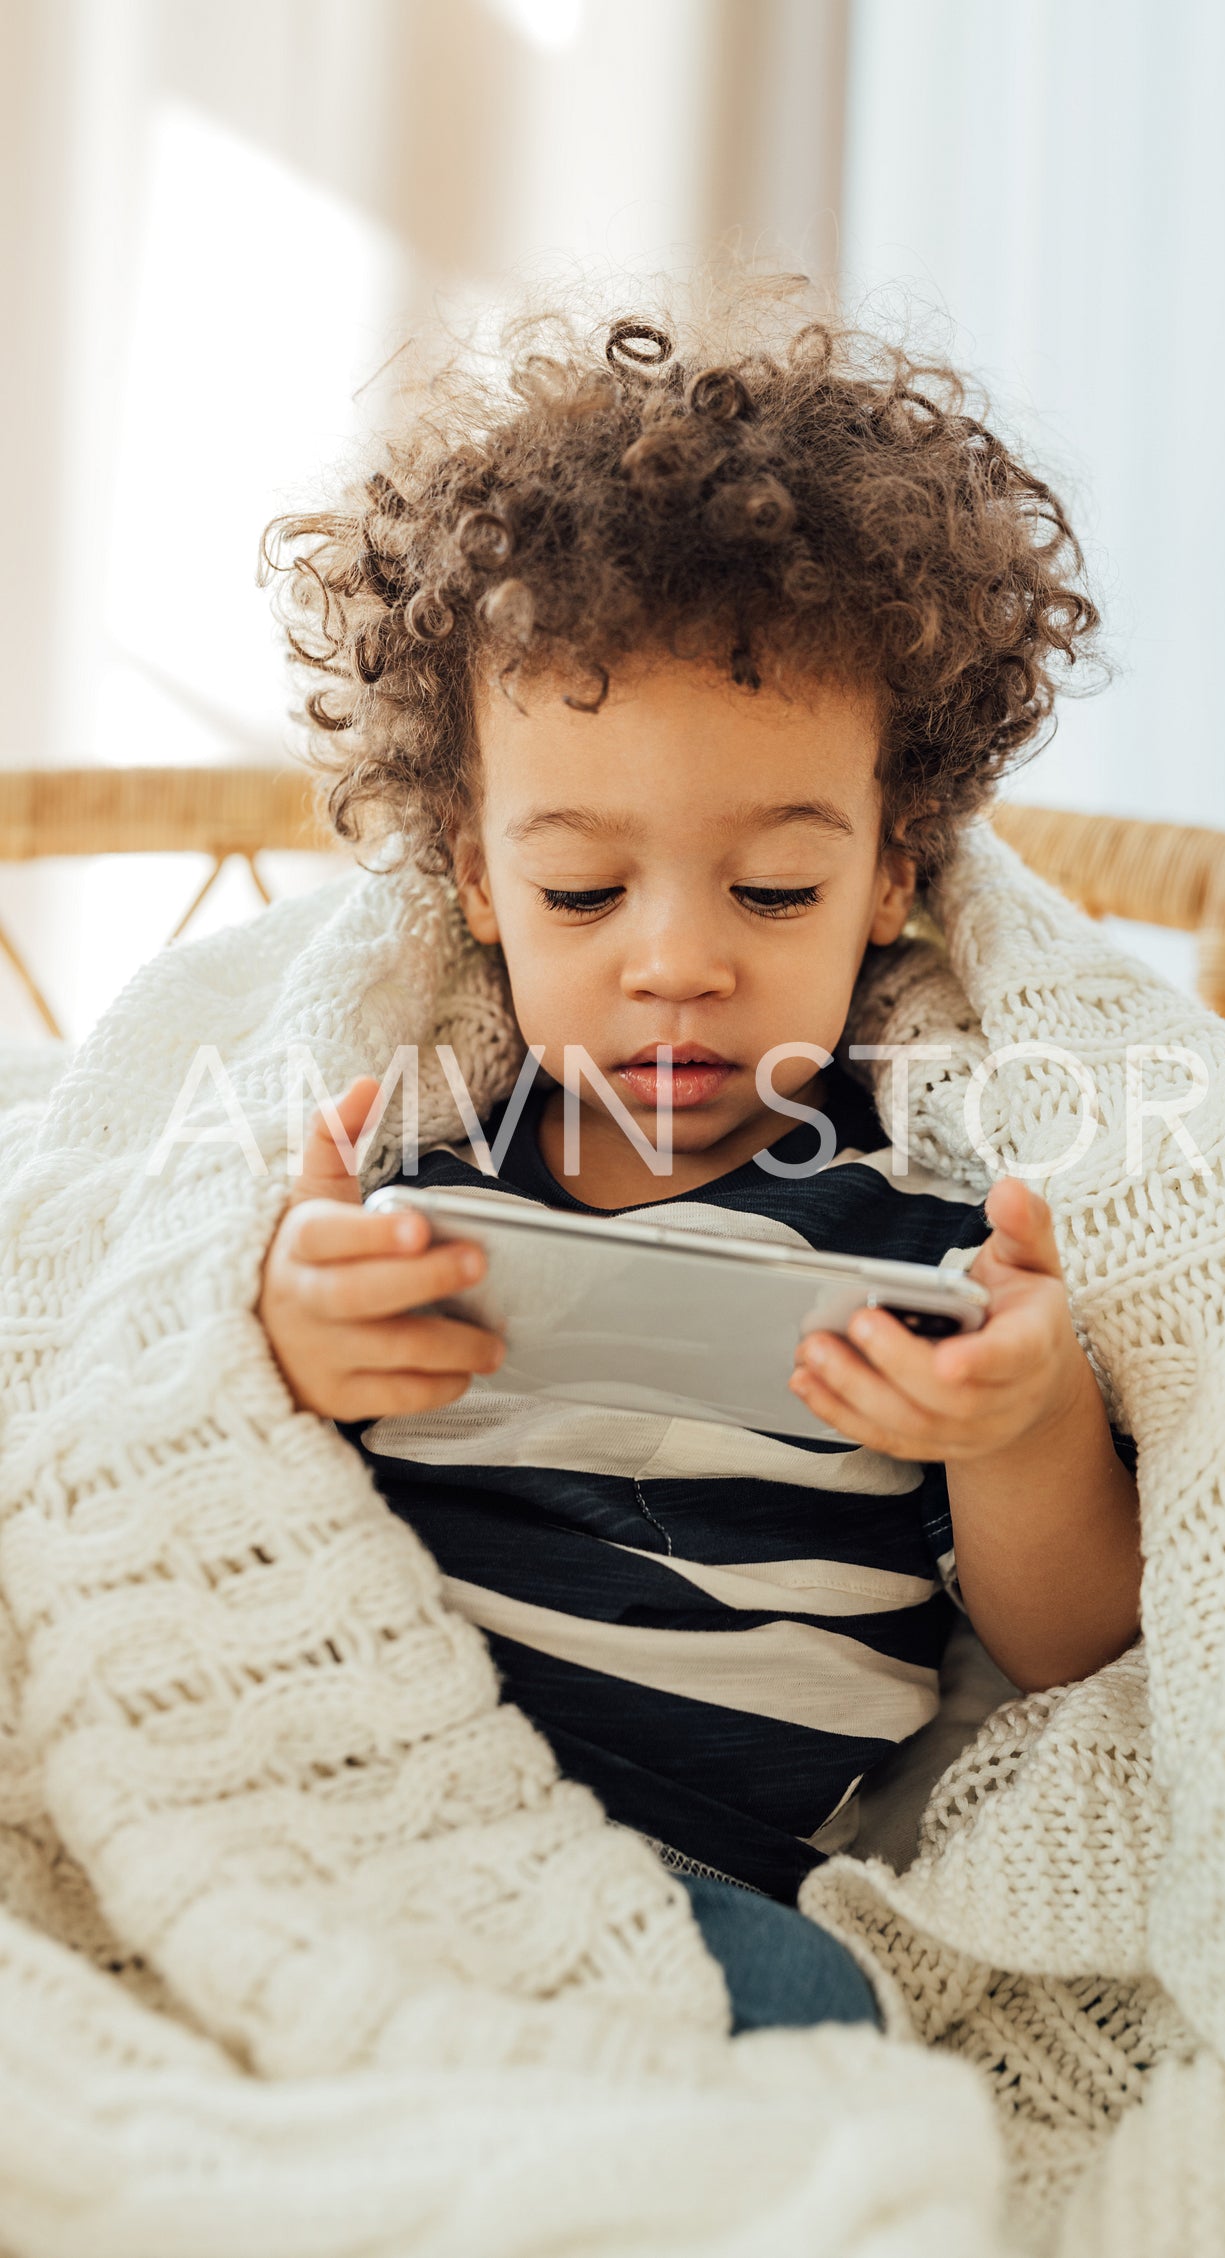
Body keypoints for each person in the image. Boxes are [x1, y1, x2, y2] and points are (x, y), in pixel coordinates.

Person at [255, 296, 1142, 2032]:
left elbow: (1072, 1654)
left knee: (822, 2014)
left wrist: (1020, 1424)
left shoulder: (922, 1224)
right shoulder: (431, 1153)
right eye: (583, 891)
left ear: (894, 879)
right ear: (479, 878)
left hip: (697, 1880)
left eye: (776, 891)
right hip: (375, 1795)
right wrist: (293, 1348)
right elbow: (214, 1460)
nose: (676, 962)